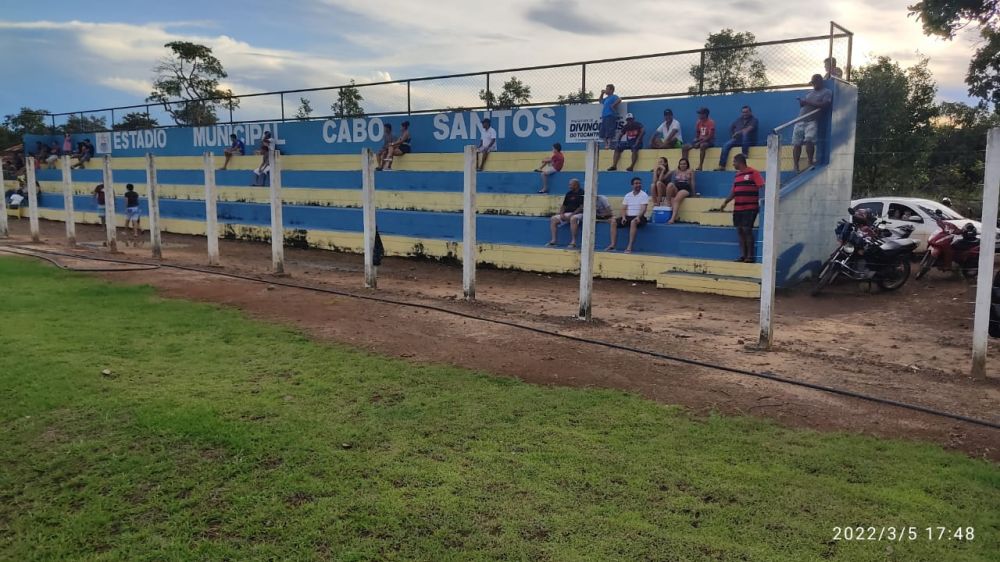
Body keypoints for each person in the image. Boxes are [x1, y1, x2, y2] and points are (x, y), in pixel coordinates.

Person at [716, 154, 764, 262]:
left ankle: (750, 256)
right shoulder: (737, 175)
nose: (733, 164)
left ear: (740, 162)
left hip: (750, 207)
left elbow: (761, 185)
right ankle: (743, 255)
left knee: (747, 229)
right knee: (740, 230)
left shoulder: (753, 172)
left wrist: (762, 200)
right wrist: (726, 202)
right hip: (738, 207)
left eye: (734, 162)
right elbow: (734, 191)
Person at [792, 74, 833, 173]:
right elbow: (805, 105)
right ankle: (796, 165)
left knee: (809, 140)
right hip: (800, 120)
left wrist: (808, 102)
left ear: (820, 81)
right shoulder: (810, 93)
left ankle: (810, 162)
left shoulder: (827, 92)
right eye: (812, 83)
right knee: (796, 143)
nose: (813, 84)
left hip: (812, 121)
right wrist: (802, 103)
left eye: (814, 82)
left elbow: (825, 105)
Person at [608, 176, 649, 254]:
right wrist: (623, 217)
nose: (638, 185)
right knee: (613, 221)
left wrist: (638, 217)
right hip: (628, 217)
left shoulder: (644, 195)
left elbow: (643, 209)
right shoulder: (628, 195)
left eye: (639, 183)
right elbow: (623, 208)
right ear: (632, 185)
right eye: (636, 183)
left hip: (640, 217)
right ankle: (612, 245)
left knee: (633, 222)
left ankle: (629, 246)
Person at [715, 106, 758, 171]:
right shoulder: (739, 120)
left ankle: (744, 154)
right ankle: (722, 166)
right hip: (737, 140)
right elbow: (731, 127)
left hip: (748, 141)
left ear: (750, 112)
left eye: (746, 112)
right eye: (743, 112)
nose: (745, 114)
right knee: (726, 145)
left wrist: (738, 133)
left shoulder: (754, 120)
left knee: (745, 134)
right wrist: (733, 135)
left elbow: (748, 130)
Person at [546, 178, 585, 247]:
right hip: (568, 213)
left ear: (576, 185)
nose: (569, 186)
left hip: (579, 213)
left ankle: (573, 242)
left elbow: (582, 207)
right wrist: (561, 214)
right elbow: (564, 205)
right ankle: (554, 240)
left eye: (570, 185)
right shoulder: (568, 193)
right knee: (553, 219)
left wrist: (572, 214)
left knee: (573, 218)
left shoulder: (582, 193)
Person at [664, 158, 696, 224]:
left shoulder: (690, 171)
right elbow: (665, 178)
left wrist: (694, 193)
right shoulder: (676, 171)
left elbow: (692, 182)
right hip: (677, 188)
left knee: (676, 199)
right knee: (670, 184)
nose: (682, 165)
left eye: (684, 164)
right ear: (679, 165)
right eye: (681, 164)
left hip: (686, 189)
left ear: (687, 165)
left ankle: (672, 218)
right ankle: (668, 201)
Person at [598, 84, 621, 149]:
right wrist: (602, 93)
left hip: (610, 115)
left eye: (607, 89)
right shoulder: (606, 98)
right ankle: (606, 144)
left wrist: (613, 105)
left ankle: (609, 143)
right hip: (604, 116)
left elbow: (619, 99)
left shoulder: (614, 96)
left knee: (609, 129)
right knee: (603, 130)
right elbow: (600, 101)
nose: (606, 90)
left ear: (611, 90)